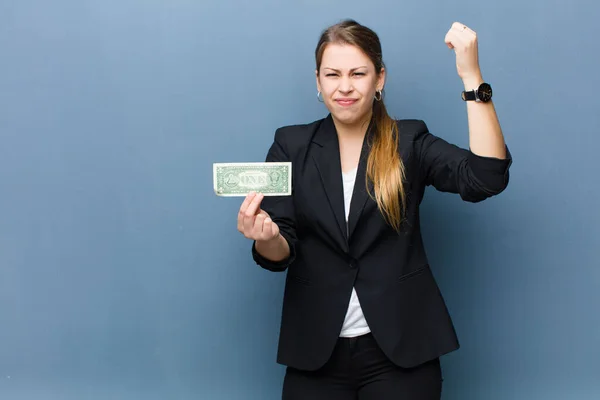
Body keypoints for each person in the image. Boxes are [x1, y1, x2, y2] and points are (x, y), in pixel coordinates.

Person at [237, 19, 512, 399]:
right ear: (318, 81)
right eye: (332, 74)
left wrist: (471, 77)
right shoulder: (290, 146)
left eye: (358, 73)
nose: (344, 86)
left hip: (402, 352)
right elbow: (279, 251)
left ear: (379, 79)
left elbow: (486, 177)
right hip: (316, 352)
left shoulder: (410, 140)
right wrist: (265, 238)